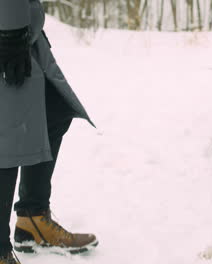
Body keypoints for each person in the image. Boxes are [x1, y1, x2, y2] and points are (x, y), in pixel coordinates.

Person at [0, 0, 98, 263]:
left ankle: (32, 219)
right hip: (8, 34)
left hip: (21, 31)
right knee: (5, 140)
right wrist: (10, 32)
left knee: (53, 112)